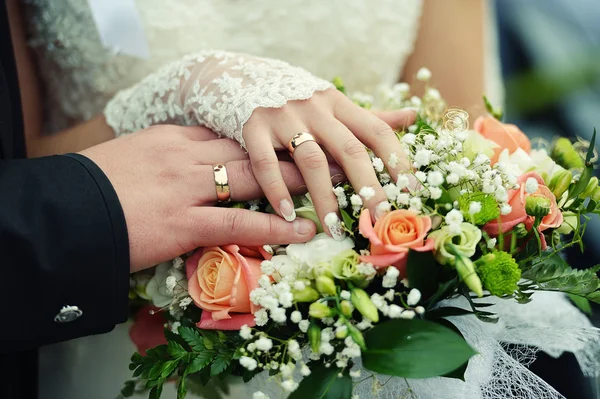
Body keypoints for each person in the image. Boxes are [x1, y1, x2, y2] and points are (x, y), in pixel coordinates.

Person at [5, 0, 499, 398]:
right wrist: (172, 93)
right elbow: (23, 170)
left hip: (362, 334)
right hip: (117, 313)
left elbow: (452, 136)